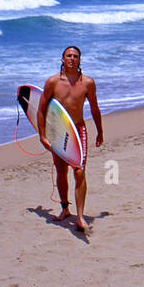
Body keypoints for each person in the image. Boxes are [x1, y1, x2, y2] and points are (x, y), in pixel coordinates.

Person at [38, 45, 104, 234]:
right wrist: (42, 135)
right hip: (58, 131)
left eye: (75, 56)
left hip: (79, 130)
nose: (72, 59)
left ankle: (81, 216)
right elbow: (41, 109)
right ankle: (66, 208)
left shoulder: (88, 83)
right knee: (61, 170)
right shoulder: (52, 82)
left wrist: (100, 131)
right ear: (62, 58)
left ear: (80, 60)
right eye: (69, 55)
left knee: (80, 171)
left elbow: (95, 109)